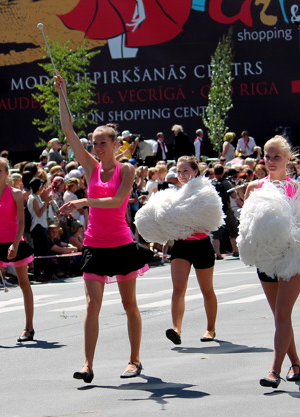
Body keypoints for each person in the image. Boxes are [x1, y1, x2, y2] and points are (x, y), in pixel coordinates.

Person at [55, 72, 152, 382]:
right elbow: (68, 130)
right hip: (95, 243)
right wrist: (62, 93)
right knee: (91, 303)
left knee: (128, 303)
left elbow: (117, 201)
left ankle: (135, 360)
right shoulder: (90, 167)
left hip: (121, 243)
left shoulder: (127, 169)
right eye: (94, 143)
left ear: (114, 144)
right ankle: (87, 364)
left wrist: (83, 203)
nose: (97, 147)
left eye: (102, 143)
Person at [242, 136, 300, 388]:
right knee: (281, 317)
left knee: (282, 313)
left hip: (292, 257)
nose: (270, 161)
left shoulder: (297, 188)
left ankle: (274, 370)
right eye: (267, 156)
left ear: (288, 159)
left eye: (276, 156)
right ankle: (296, 362)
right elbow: (246, 228)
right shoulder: (254, 188)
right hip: (266, 258)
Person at [164, 157, 219, 344]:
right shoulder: (174, 194)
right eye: (178, 172)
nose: (181, 175)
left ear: (195, 171)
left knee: (207, 289)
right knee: (178, 288)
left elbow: (210, 219)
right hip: (181, 245)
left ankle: (210, 329)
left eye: (185, 171)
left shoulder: (205, 191)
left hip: (201, 244)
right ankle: (176, 329)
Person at [0, 157, 35, 342]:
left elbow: (21, 221)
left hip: (14, 241)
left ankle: (29, 327)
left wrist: (15, 244)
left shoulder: (16, 194)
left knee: (24, 283)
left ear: (6, 173)